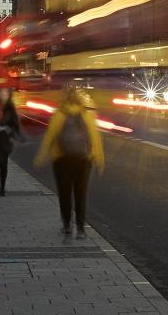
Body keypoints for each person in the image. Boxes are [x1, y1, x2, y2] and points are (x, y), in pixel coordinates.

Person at [35, 88, 104, 235]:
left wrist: (41, 157)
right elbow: (95, 138)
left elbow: (50, 137)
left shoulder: (59, 114)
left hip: (62, 160)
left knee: (64, 193)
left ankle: (67, 225)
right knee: (80, 193)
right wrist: (99, 160)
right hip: (83, 160)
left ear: (65, 100)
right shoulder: (87, 115)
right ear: (80, 101)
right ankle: (80, 228)